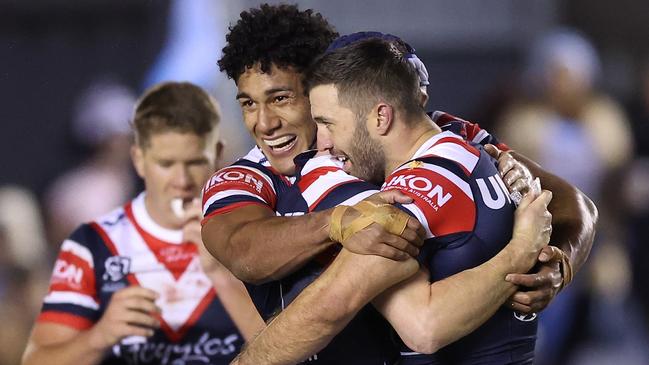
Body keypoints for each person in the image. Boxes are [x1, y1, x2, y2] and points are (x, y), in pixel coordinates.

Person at [232, 36, 598, 364]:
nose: (322, 143)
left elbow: (414, 325)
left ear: (381, 116)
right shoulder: (469, 147)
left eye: (328, 123)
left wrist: (523, 251)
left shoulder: (419, 186)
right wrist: (536, 257)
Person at [22, 82, 263, 365]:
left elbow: (292, 349)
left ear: (218, 154)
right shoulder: (94, 243)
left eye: (195, 162)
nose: (181, 181)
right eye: (166, 163)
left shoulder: (247, 229)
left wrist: (221, 274)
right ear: (138, 159)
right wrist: (100, 335)